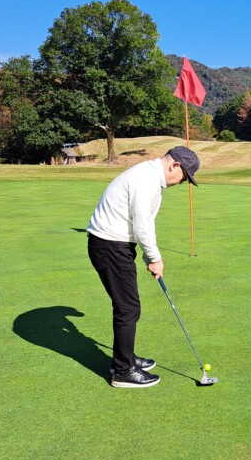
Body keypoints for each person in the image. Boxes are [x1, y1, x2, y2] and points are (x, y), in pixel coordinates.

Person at [86, 146, 200, 388]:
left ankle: (125, 359)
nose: (182, 183)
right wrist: (155, 258)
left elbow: (145, 222)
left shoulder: (149, 176)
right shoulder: (146, 180)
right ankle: (123, 371)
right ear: (175, 166)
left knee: (128, 306)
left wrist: (149, 256)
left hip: (113, 244)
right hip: (110, 245)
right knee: (128, 308)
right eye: (184, 177)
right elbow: (142, 226)